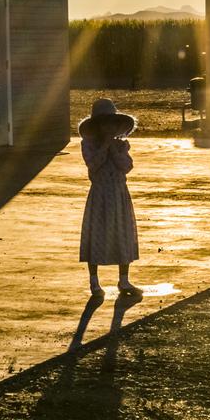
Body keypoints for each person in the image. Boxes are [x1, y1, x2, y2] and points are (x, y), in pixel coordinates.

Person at [77, 97, 140, 297]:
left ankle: (124, 280)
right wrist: (104, 146)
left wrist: (114, 148)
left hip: (119, 193)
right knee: (96, 235)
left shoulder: (122, 145)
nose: (109, 127)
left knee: (123, 234)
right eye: (104, 123)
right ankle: (94, 282)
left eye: (112, 122)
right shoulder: (88, 145)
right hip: (100, 194)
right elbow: (93, 165)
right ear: (97, 125)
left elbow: (126, 166)